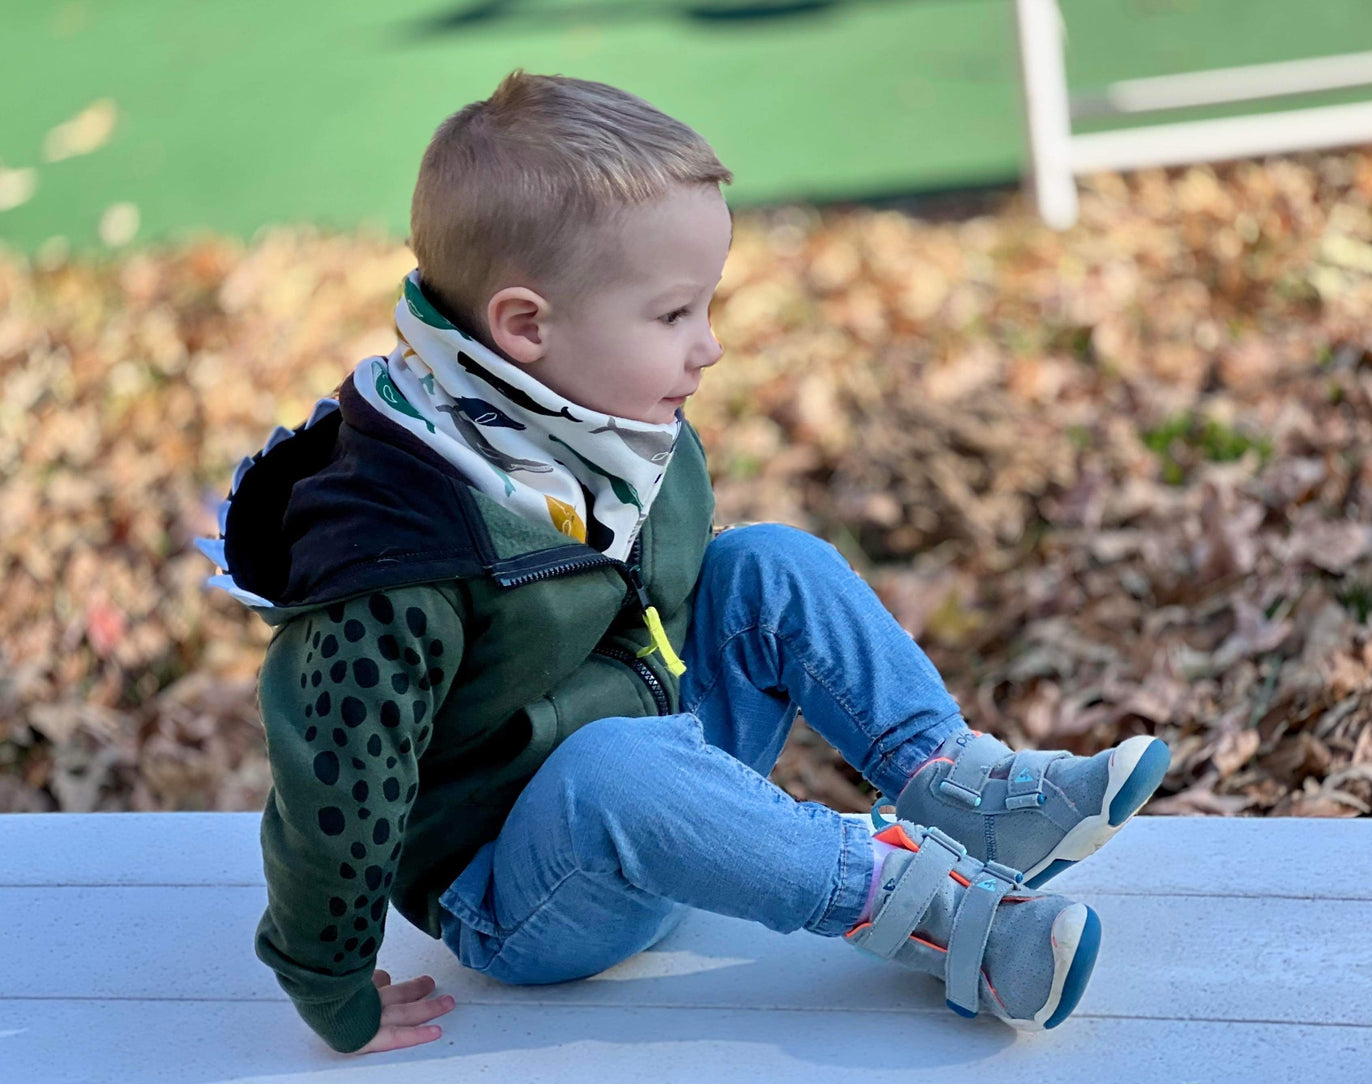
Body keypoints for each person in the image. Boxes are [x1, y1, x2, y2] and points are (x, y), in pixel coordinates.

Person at [196, 69, 1170, 1055]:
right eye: (672, 316)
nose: (708, 347)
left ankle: (958, 791)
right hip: (519, 892)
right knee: (618, 766)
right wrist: (328, 978)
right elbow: (336, 780)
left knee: (765, 563)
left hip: (657, 773)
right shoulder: (395, 547)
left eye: (707, 307)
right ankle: (940, 916)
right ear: (525, 326)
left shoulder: (592, 420)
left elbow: (658, 606)